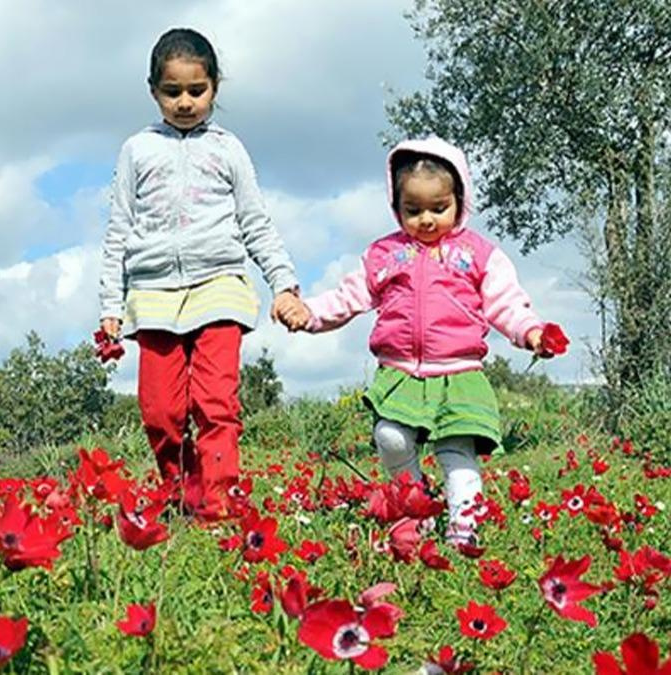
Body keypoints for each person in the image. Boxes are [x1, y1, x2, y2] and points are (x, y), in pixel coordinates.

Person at [291, 136, 561, 544]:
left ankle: (463, 533)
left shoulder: (478, 255)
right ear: (396, 207)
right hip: (400, 373)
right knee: (390, 437)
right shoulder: (385, 255)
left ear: (460, 201)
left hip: (459, 373)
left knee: (456, 455)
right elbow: (348, 297)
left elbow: (506, 303)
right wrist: (308, 313)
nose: (427, 220)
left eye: (439, 208)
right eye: (413, 210)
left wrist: (532, 332)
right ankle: (416, 508)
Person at [98, 27, 308, 521]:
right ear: (153, 91)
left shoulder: (229, 149)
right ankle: (182, 491)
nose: (186, 102)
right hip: (152, 295)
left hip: (220, 288)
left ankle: (217, 508)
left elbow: (255, 222)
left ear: (215, 86)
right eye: (173, 92)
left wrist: (284, 284)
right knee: (161, 413)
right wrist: (110, 304)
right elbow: (118, 230)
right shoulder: (137, 150)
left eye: (198, 90)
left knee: (215, 404)